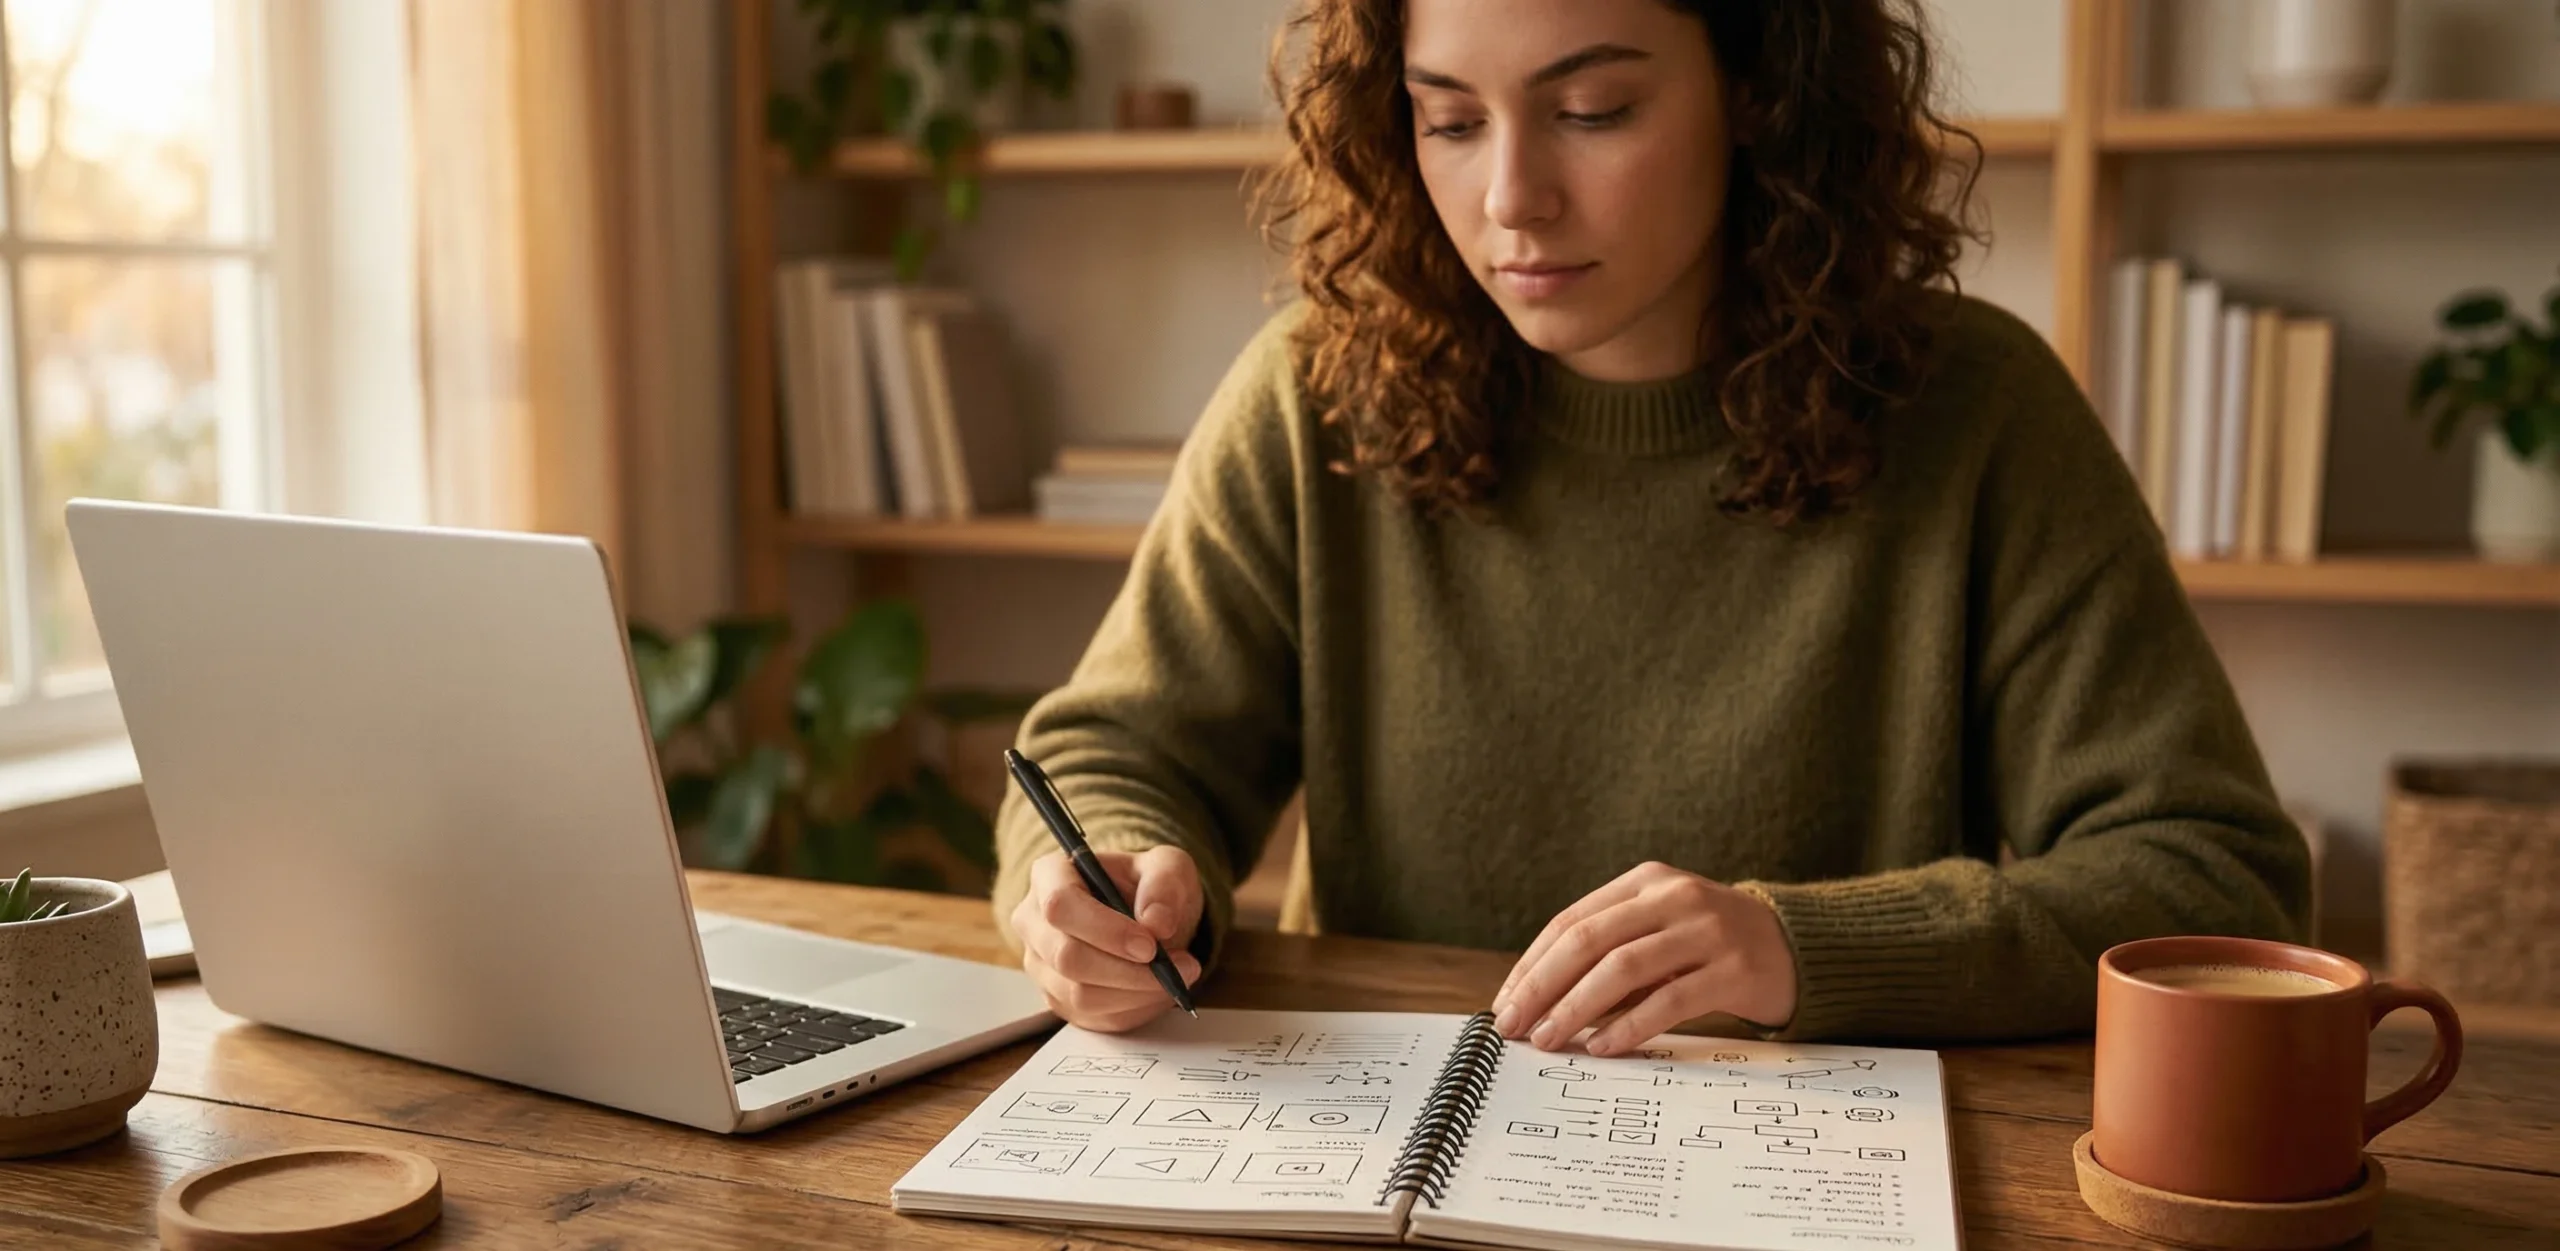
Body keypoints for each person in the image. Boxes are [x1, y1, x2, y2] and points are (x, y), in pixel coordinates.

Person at [990, 0, 2307, 1051]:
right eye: (1449, 121)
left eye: (1592, 110)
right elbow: (1112, 749)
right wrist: (1099, 885)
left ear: (1757, 88)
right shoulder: (1316, 390)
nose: (1512, 196)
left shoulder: (1976, 411)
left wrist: (1799, 948)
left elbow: (2211, 881)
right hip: (1381, 1164)